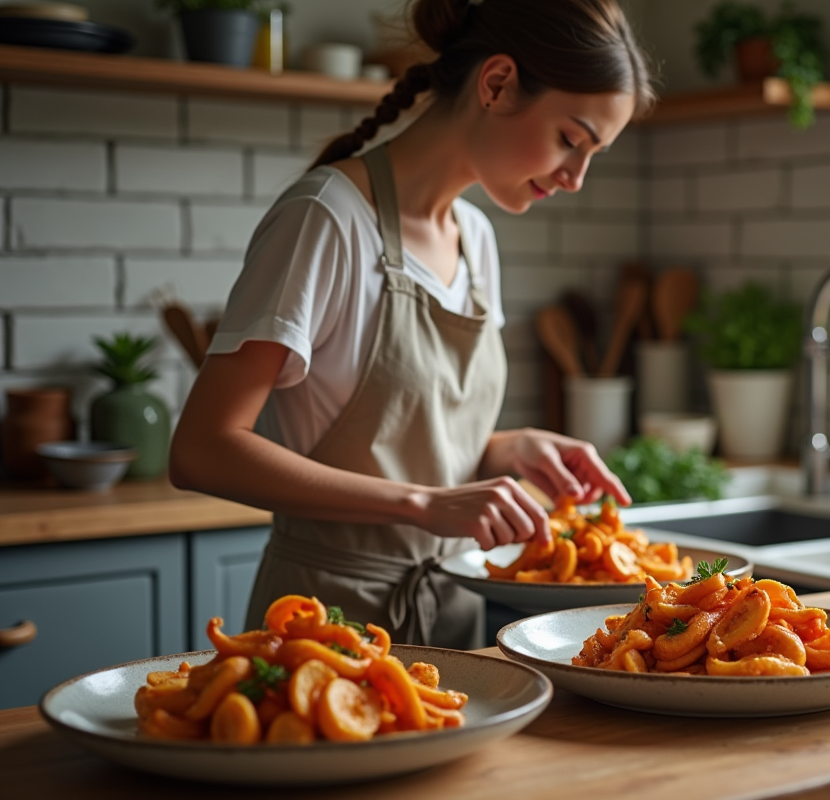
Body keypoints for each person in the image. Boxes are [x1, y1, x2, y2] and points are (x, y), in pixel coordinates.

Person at [169, 0, 656, 650]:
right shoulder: (327, 219)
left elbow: (412, 444)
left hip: (448, 628)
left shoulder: (475, 241)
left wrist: (505, 450)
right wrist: (422, 505)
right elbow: (202, 449)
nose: (575, 179)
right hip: (319, 631)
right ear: (497, 83)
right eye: (572, 140)